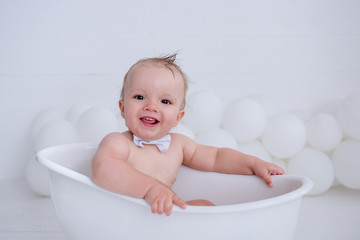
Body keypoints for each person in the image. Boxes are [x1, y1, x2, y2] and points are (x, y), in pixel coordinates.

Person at [91, 53, 285, 216]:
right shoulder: (118, 142)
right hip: (125, 218)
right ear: (123, 108)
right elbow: (103, 169)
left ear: (177, 117)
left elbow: (217, 158)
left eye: (165, 101)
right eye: (140, 97)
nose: (151, 106)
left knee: (205, 206)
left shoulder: (179, 145)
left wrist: (253, 164)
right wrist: (150, 189)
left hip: (162, 215)